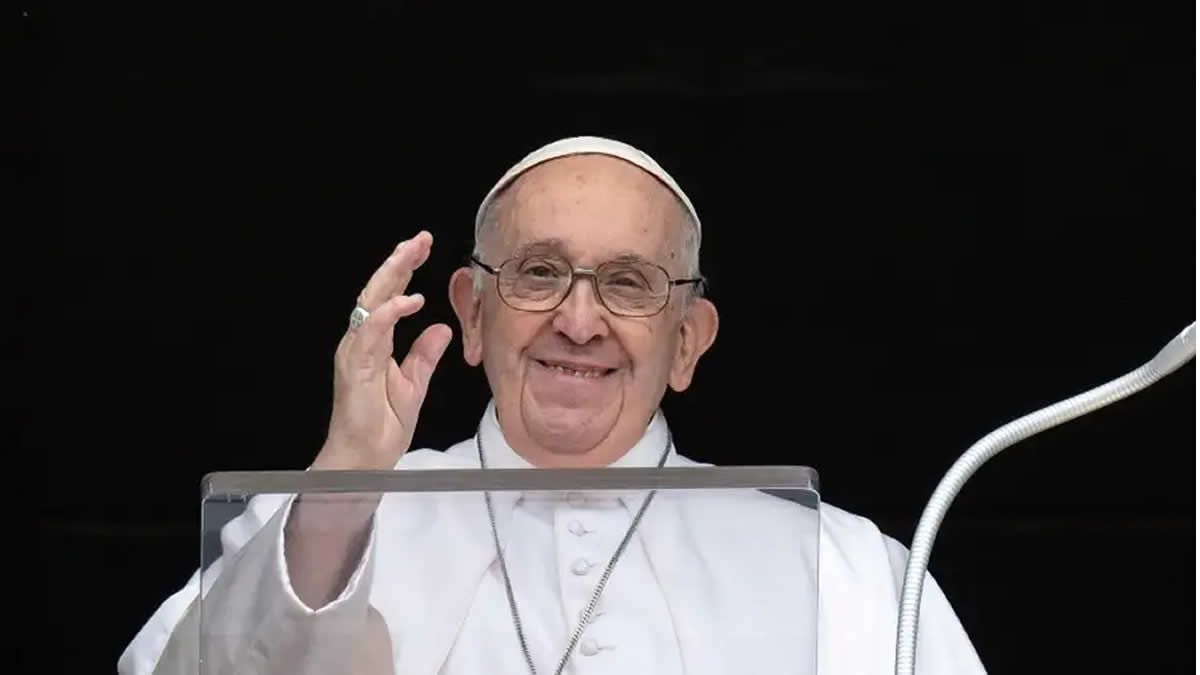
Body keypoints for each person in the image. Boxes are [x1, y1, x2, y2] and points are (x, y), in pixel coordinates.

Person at [118, 136, 987, 674]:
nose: (578, 321)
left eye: (628, 283)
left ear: (688, 341)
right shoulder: (309, 525)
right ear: (471, 313)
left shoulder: (844, 569)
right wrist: (344, 480)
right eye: (538, 272)